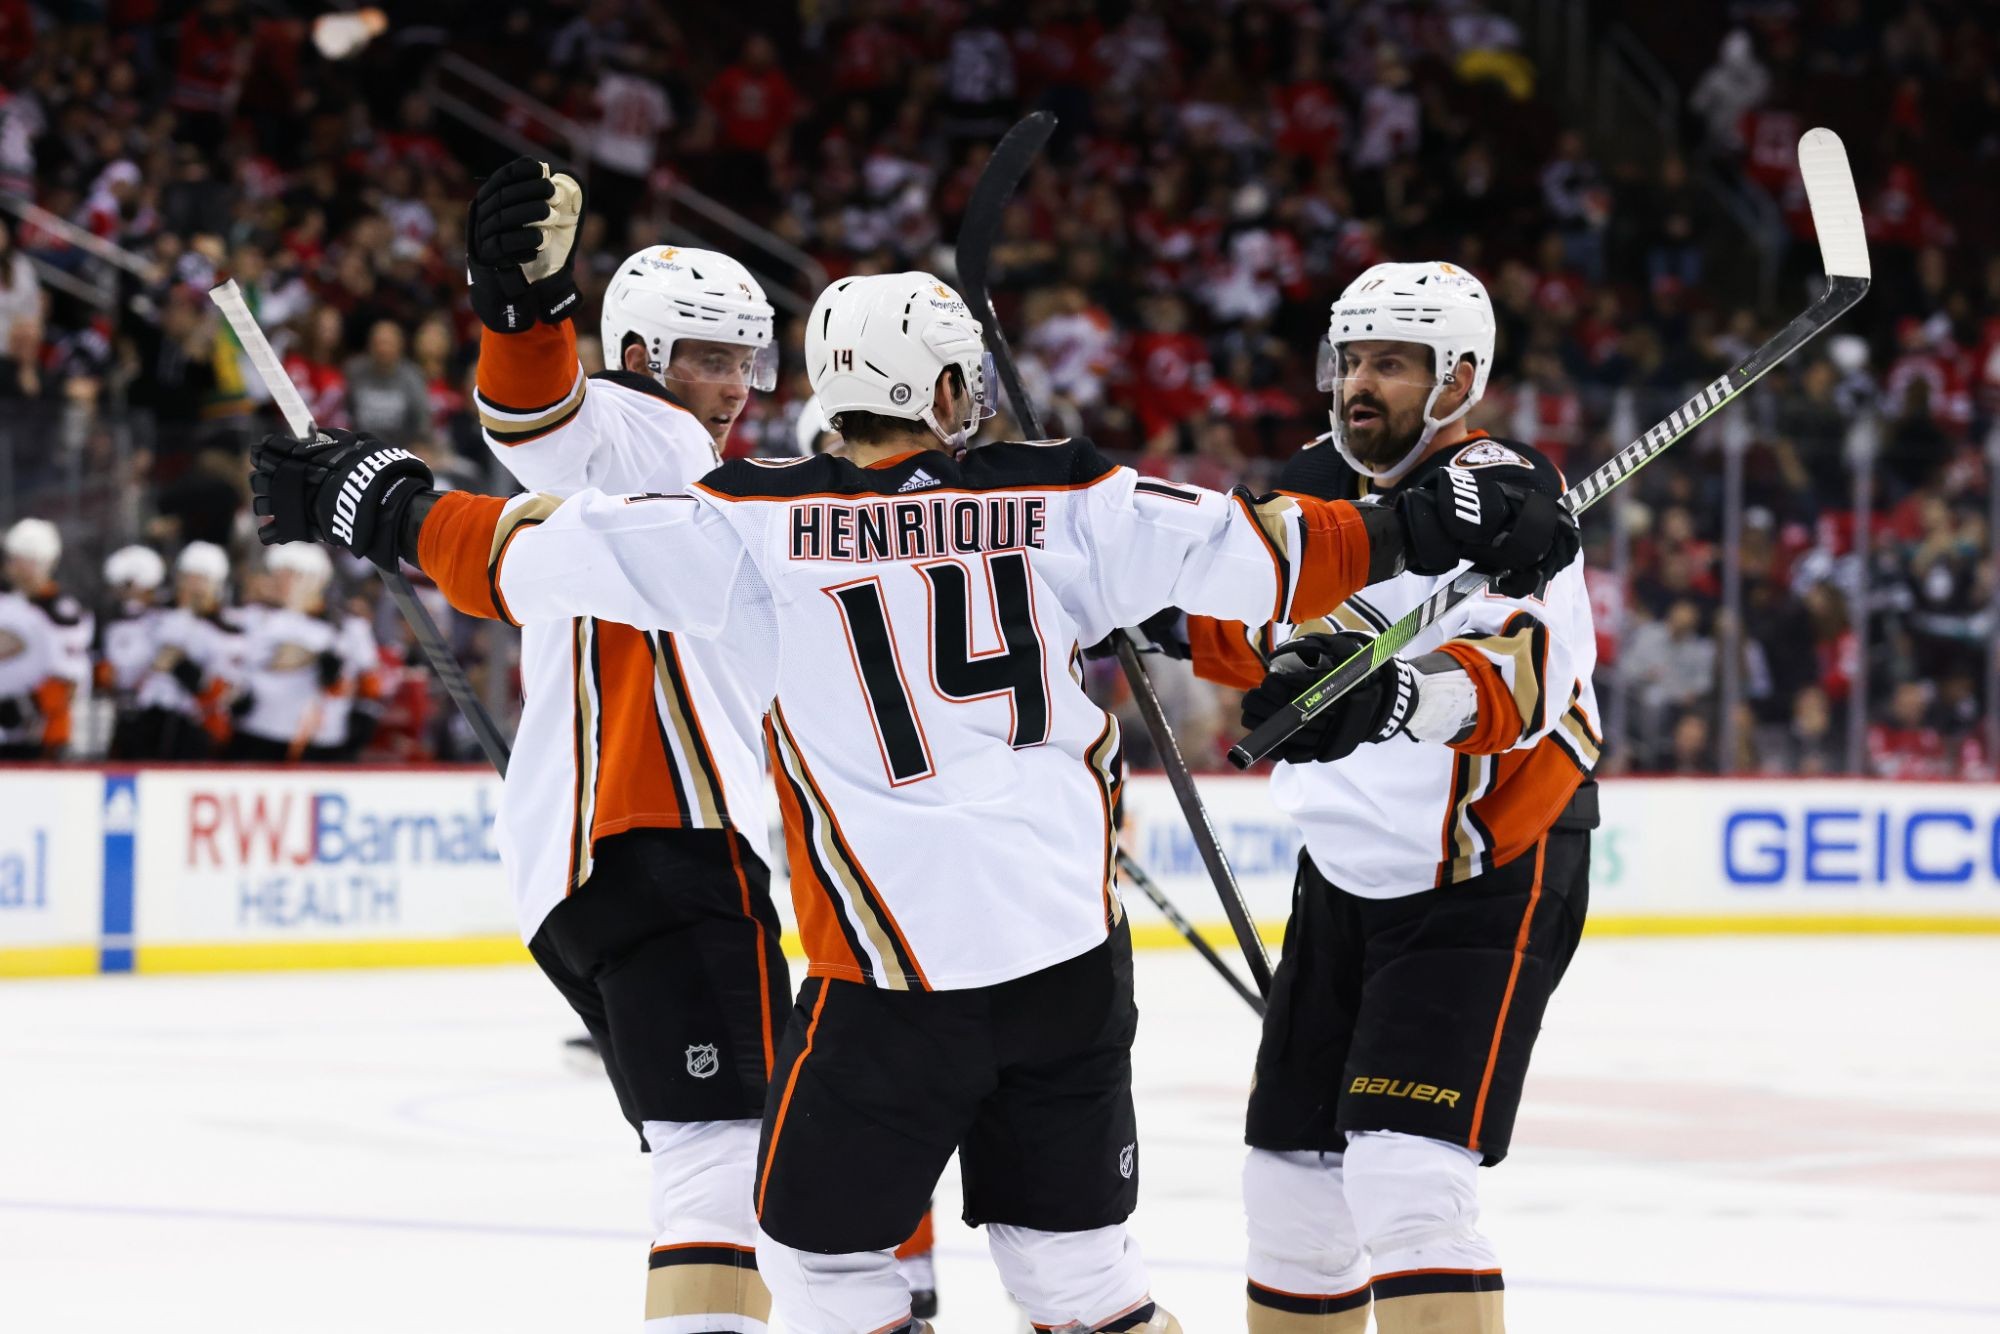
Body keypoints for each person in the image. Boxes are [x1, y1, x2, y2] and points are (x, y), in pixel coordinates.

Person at [248, 266, 1576, 1334]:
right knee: (1077, 1278)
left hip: (889, 980)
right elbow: (1278, 553)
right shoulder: (1072, 496)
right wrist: (1438, 520)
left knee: (821, 1266)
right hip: (1069, 970)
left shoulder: (742, 524)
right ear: (944, 389)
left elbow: (516, 554)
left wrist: (374, 500)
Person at [1177, 261, 1598, 1334]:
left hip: (1485, 864)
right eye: (1351, 359)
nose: (1359, 384)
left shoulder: (1511, 501)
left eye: (1393, 364)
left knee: (1405, 1179)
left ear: (1458, 378)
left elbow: (1528, 683)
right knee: (1289, 1192)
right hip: (1344, 873)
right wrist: (1165, 619)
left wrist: (1393, 695)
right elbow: (1241, 628)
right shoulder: (1309, 485)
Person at [461, 157, 791, 1331]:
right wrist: (524, 308)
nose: (735, 385)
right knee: (725, 1158)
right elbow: (543, 416)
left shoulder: (705, 474)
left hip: (596, 870)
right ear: (642, 354)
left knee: (735, 1148)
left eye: (746, 359)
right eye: (709, 357)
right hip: (663, 845)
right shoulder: (645, 435)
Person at [223, 543, 378, 762]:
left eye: (295, 575)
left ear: (318, 580)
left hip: (319, 740)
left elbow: (368, 685)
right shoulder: (250, 618)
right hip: (256, 731)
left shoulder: (348, 627)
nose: (284, 582)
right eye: (279, 574)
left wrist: (359, 727)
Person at [131, 541, 241, 760]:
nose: (194, 586)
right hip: (148, 719)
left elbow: (224, 689)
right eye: (188, 577)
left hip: (194, 725)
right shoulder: (155, 616)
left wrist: (181, 665)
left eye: (202, 578)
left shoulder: (227, 629)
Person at [0, 518, 91, 759]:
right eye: (11, 558)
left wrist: (24, 709)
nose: (11, 565)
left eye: (19, 559)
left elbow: (68, 678)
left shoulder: (60, 610)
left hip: (36, 735)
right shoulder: (8, 601)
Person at [97, 544, 168, 759]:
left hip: (156, 713)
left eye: (127, 585)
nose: (123, 593)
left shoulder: (163, 620)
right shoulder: (109, 622)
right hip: (117, 709)